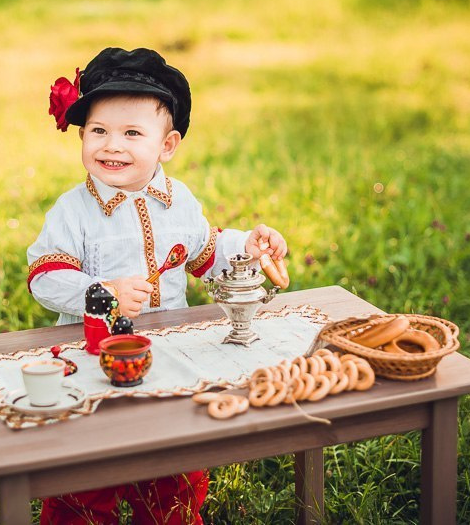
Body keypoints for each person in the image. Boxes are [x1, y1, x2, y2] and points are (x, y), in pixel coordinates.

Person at [27, 47, 287, 525]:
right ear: (81, 134)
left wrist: (246, 246)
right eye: (98, 131)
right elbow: (45, 277)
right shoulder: (73, 210)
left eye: (132, 133)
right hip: (95, 360)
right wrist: (101, 290)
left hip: (171, 357)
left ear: (167, 145)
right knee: (87, 471)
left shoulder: (178, 201)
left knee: (174, 468)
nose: (112, 146)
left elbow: (206, 253)